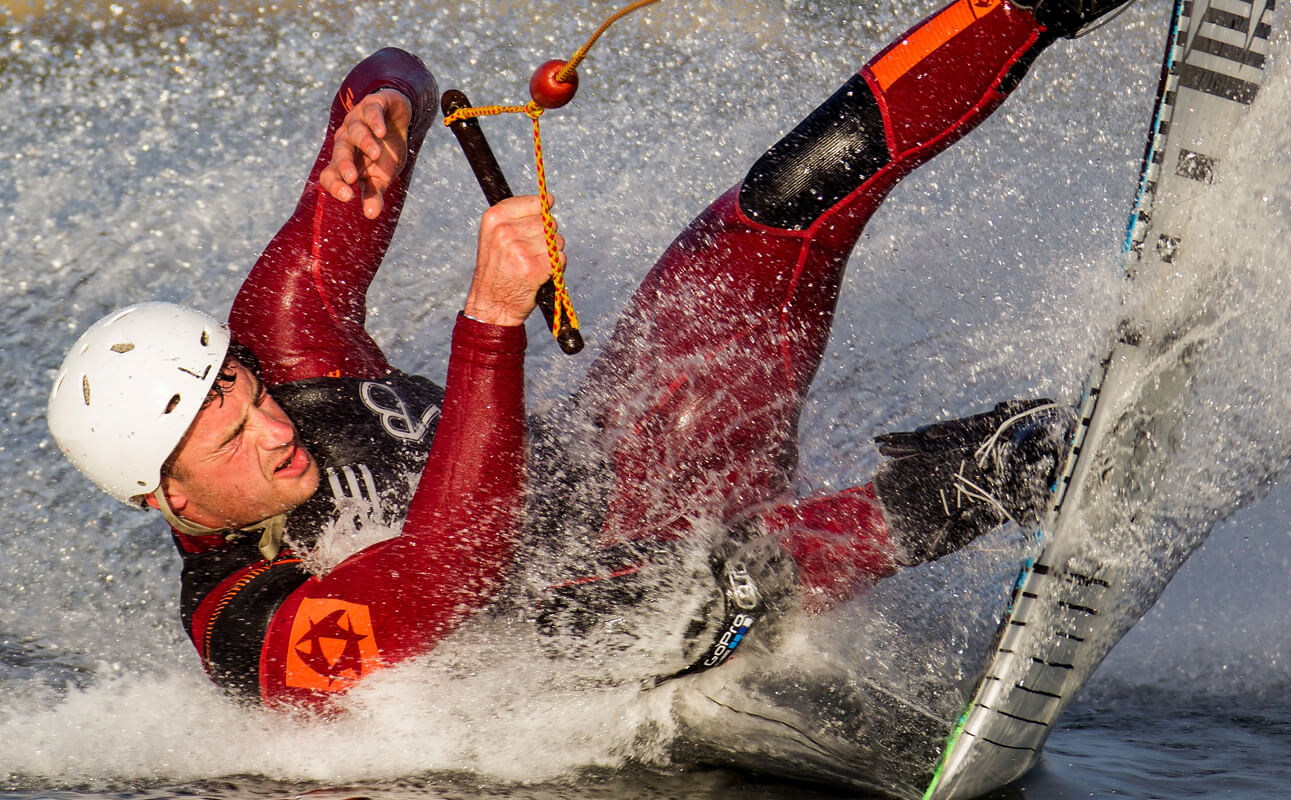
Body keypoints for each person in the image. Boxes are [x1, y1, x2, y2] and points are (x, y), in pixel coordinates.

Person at [48, 0, 1129, 709]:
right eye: (231, 434)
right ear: (162, 496)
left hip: (639, 457)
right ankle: (998, 469)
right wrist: (488, 321)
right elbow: (445, 571)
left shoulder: (288, 332)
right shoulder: (252, 625)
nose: (274, 424)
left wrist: (382, 101)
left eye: (246, 390)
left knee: (785, 198)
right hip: (595, 635)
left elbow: (395, 72)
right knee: (654, 590)